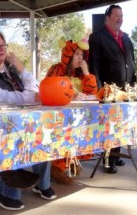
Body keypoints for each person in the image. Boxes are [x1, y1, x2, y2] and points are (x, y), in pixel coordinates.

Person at [0, 31, 56, 211]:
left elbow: (36, 88)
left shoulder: (11, 69)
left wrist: (22, 69)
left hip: (20, 118)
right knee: (20, 135)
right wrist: (29, 98)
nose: (2, 48)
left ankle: (41, 183)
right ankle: (5, 193)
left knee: (43, 133)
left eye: (3, 44)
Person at [88, 4, 136, 174]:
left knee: (121, 124)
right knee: (109, 126)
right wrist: (100, 91)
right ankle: (108, 160)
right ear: (107, 18)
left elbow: (131, 63)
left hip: (125, 88)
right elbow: (95, 66)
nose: (119, 18)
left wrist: (133, 86)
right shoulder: (97, 37)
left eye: (121, 15)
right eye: (116, 15)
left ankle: (116, 155)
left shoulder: (126, 38)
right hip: (108, 90)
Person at [45, 39, 98, 183]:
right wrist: (69, 94)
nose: (80, 57)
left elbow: (92, 94)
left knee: (82, 132)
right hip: (60, 116)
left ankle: (72, 160)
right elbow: (50, 90)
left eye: (82, 54)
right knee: (65, 137)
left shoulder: (80, 73)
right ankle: (57, 167)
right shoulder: (57, 70)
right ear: (68, 56)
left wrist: (87, 73)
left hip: (77, 116)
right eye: (77, 54)